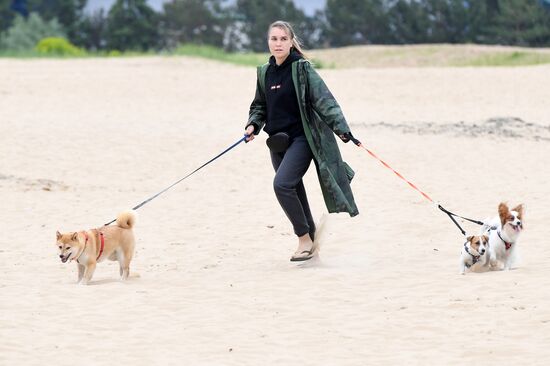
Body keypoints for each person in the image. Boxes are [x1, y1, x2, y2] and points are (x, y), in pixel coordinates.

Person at [245, 20, 359, 262]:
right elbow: (260, 105)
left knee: (282, 184)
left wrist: (341, 128)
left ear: (290, 41)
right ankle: (311, 235)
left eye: (283, 39)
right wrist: (253, 125)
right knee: (293, 187)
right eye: (274, 39)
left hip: (302, 138)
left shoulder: (301, 69)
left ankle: (304, 240)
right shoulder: (264, 72)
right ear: (268, 42)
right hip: (277, 142)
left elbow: (324, 100)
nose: (278, 43)